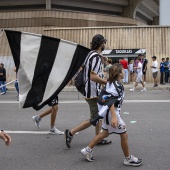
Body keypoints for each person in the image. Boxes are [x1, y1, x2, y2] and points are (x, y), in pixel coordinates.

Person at [80, 63, 142, 167]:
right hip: (111, 112)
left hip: (107, 112)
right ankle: (128, 159)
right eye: (122, 71)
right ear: (118, 73)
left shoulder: (111, 82)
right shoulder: (116, 85)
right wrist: (114, 117)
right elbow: (110, 99)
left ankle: (87, 150)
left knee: (105, 133)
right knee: (124, 135)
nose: (124, 72)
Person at [65, 34, 111, 148]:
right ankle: (71, 132)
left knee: (99, 115)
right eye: (104, 43)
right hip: (92, 92)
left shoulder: (90, 54)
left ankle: (98, 138)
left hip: (92, 91)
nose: (104, 45)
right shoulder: (95, 57)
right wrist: (107, 82)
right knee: (94, 118)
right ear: (101, 43)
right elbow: (93, 77)